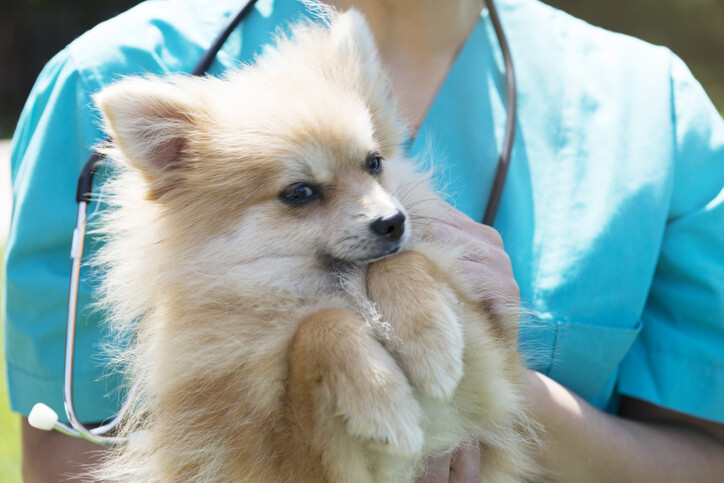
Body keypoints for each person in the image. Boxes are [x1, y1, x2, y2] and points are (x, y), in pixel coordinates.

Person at [4, 0, 723, 481]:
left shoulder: (652, 106)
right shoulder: (108, 75)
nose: (381, 211)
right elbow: (65, 449)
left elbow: (704, 456)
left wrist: (503, 383)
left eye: (376, 164)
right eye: (300, 192)